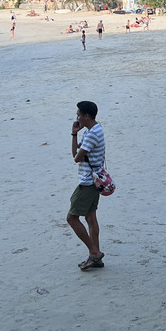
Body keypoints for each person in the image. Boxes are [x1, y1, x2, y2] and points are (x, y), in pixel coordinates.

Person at [67, 100, 105, 271]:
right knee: (90, 218)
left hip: (88, 183)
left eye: (79, 115)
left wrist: (76, 136)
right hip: (95, 181)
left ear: (87, 116)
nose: (77, 118)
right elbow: (77, 154)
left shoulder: (91, 135)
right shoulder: (95, 129)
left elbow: (76, 158)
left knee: (72, 218)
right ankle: (95, 256)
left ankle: (94, 253)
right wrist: (74, 134)